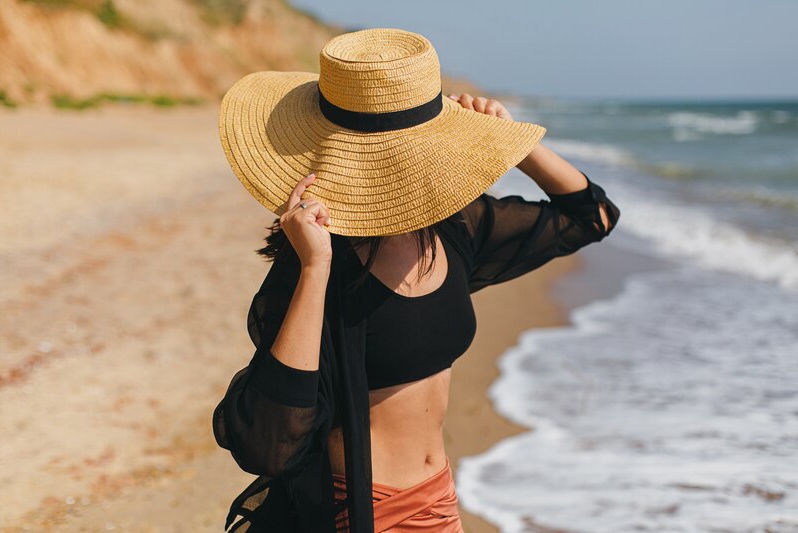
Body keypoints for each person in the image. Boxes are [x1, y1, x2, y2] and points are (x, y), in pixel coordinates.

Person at [212, 28, 621, 533]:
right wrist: (314, 269)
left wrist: (515, 144)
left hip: (439, 501)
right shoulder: (318, 258)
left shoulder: (452, 229)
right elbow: (270, 440)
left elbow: (592, 217)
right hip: (359, 511)